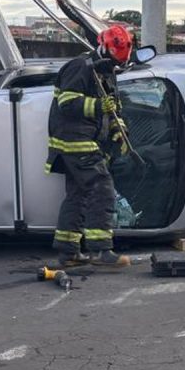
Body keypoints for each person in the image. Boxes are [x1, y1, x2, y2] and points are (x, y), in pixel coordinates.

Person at [44, 26, 135, 270]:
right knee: (101, 188)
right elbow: (67, 102)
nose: (116, 65)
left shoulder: (106, 73)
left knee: (79, 195)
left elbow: (113, 109)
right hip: (75, 141)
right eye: (114, 60)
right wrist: (97, 106)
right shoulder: (81, 67)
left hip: (86, 141)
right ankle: (101, 250)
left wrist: (119, 133)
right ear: (103, 47)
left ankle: (68, 253)